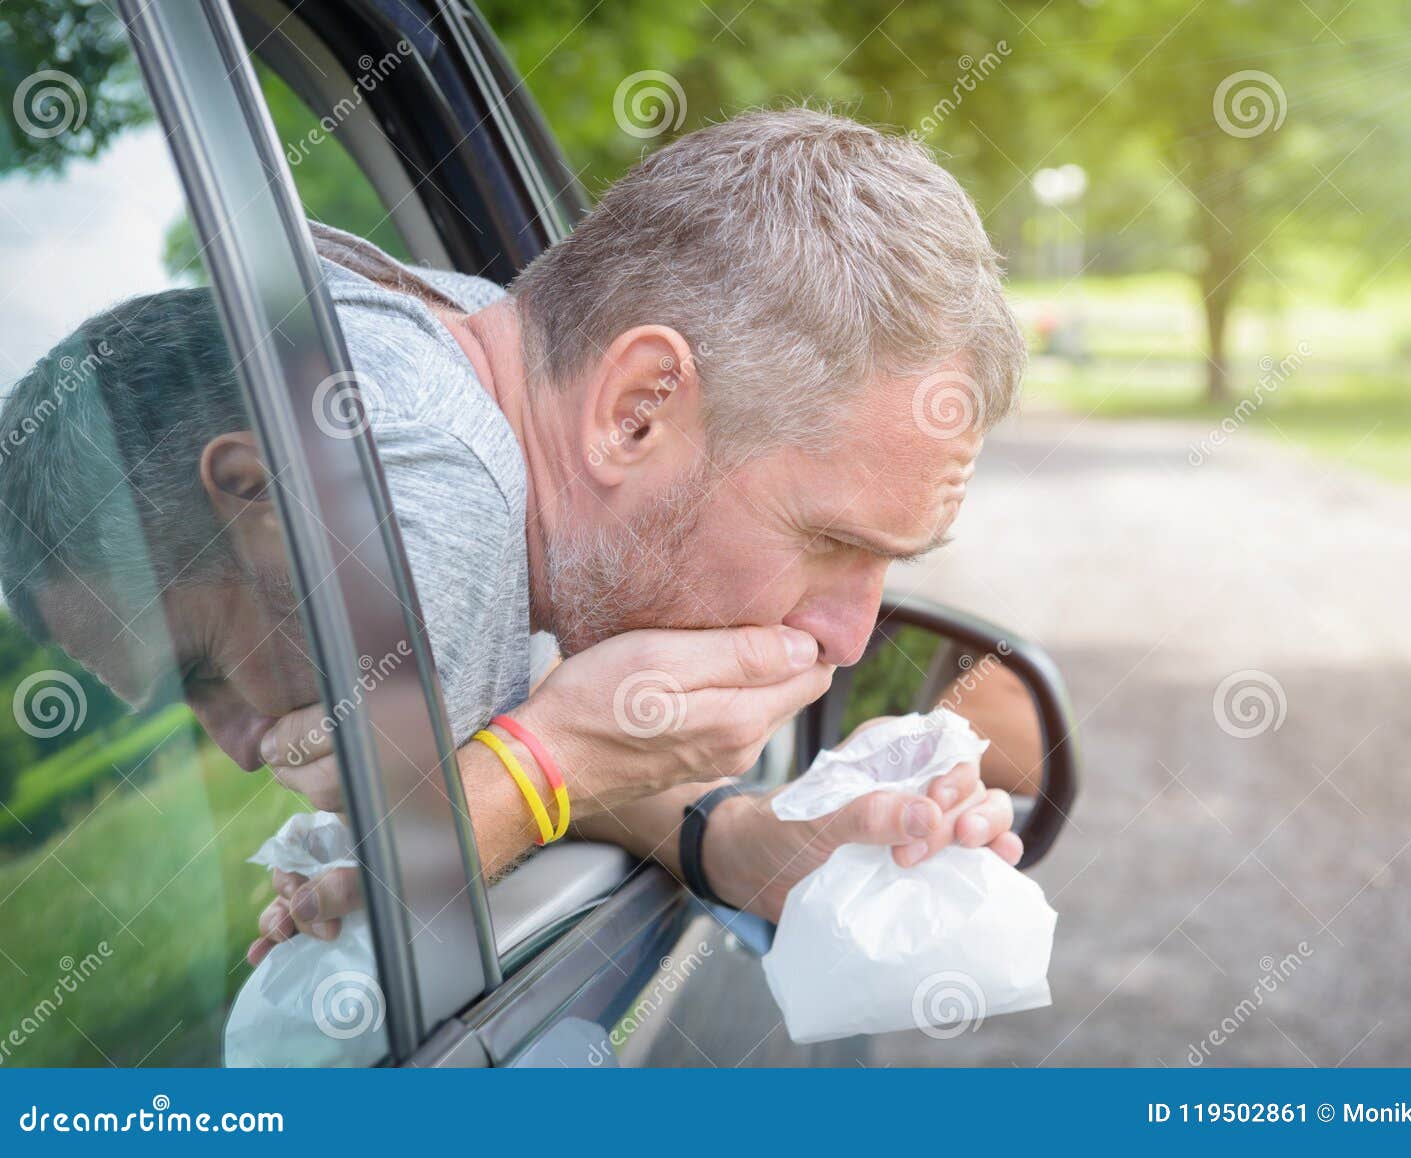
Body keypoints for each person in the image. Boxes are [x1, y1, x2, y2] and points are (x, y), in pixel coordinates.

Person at [0, 108, 1029, 963]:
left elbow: (467, 770)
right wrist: (555, 757)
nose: (849, 638)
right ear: (632, 409)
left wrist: (738, 837)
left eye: (199, 668)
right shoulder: (447, 478)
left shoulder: (456, 381)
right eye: (831, 543)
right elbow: (401, 865)